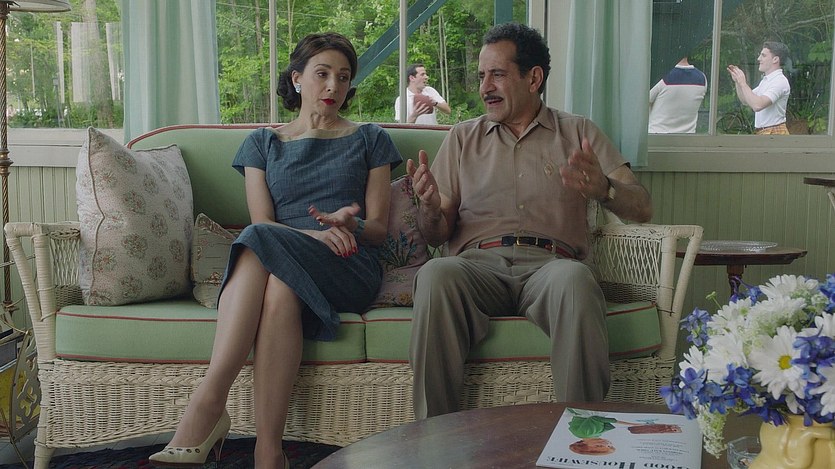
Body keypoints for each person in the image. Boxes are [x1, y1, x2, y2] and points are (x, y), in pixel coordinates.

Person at [149, 32, 401, 467]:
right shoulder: (262, 144)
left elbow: (377, 231)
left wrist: (350, 224)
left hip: (348, 264)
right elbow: (264, 221)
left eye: (343, 77)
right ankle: (270, 453)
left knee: (258, 238)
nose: (333, 86)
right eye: (322, 74)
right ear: (297, 79)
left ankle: (209, 402)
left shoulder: (370, 139)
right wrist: (313, 235)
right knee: (280, 287)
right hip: (286, 262)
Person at [407, 22, 652, 419]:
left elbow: (642, 207)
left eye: (497, 74)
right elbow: (436, 234)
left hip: (551, 267)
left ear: (533, 78)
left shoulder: (578, 132)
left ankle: (581, 437)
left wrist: (605, 188)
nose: (485, 87)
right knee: (436, 273)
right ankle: (433, 437)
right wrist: (431, 209)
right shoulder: (462, 137)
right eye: (482, 76)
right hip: (477, 268)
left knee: (575, 280)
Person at [727, 41, 791, 135]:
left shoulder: (780, 81)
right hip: (765, 132)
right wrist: (738, 82)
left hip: (774, 133)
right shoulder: (766, 80)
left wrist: (743, 83)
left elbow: (757, 105)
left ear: (775, 59)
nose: (759, 59)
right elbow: (746, 100)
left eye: (763, 55)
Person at [648, 57, 707, 133]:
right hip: (687, 138)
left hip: (657, 136)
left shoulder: (661, 77)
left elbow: (641, 104)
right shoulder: (702, 79)